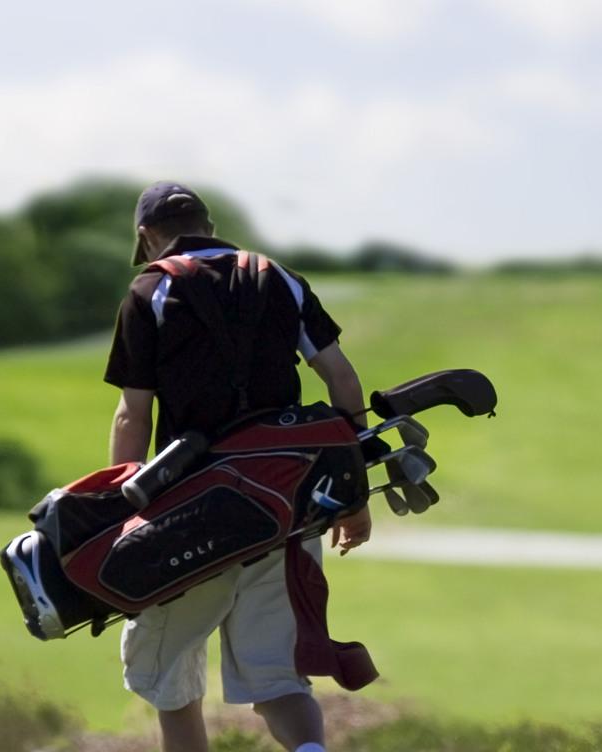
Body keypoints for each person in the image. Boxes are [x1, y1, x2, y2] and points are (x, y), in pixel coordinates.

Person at [104, 180, 372, 752]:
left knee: (171, 681)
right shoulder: (280, 279)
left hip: (189, 511)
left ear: (148, 236)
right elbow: (343, 380)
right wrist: (355, 494)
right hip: (287, 506)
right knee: (278, 680)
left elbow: (133, 417)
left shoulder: (150, 288)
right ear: (209, 225)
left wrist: (116, 518)